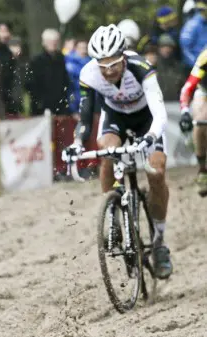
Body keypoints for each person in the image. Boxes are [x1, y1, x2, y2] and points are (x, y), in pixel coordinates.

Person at [63, 24, 173, 279]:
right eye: (103, 66)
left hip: (147, 120)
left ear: (124, 57)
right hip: (115, 118)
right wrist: (77, 143)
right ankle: (112, 211)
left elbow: (160, 114)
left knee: (156, 171)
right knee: (107, 152)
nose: (109, 71)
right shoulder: (89, 73)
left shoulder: (142, 68)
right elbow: (86, 117)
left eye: (114, 64)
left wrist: (151, 137)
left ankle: (159, 242)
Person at [179, 47, 207, 195]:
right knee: (200, 121)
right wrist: (185, 112)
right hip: (205, 92)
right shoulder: (205, 57)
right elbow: (187, 89)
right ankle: (203, 170)